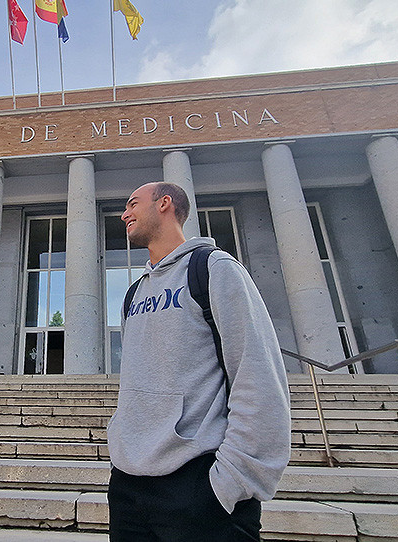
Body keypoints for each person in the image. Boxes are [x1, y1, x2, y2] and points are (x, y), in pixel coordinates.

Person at [106, 182, 291, 542]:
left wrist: (229, 483)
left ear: (164, 204)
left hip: (199, 486)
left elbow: (258, 376)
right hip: (129, 489)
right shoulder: (135, 292)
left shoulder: (215, 268)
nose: (124, 214)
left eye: (132, 204)